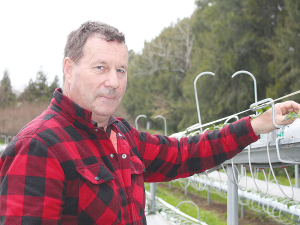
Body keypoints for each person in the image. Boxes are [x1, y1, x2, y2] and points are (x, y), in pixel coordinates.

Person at [0, 21, 299, 225]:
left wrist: (255, 126)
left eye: (121, 70)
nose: (114, 82)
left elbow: (185, 154)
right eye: (100, 67)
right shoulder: (39, 148)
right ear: (69, 68)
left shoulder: (121, 135)